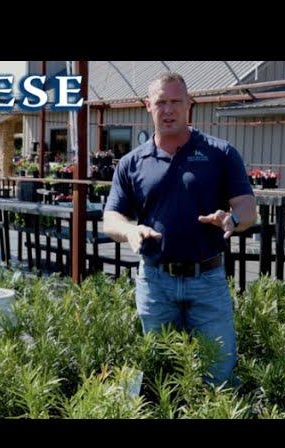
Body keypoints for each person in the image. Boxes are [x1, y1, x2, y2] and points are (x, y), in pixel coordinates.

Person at [103, 72, 256, 386]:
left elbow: (247, 207)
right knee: (161, 376)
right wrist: (130, 231)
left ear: (189, 104)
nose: (168, 109)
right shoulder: (132, 163)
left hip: (208, 282)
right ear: (148, 106)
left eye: (175, 101)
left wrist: (233, 220)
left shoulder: (220, 153)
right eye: (161, 102)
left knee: (219, 375)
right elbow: (111, 218)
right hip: (156, 283)